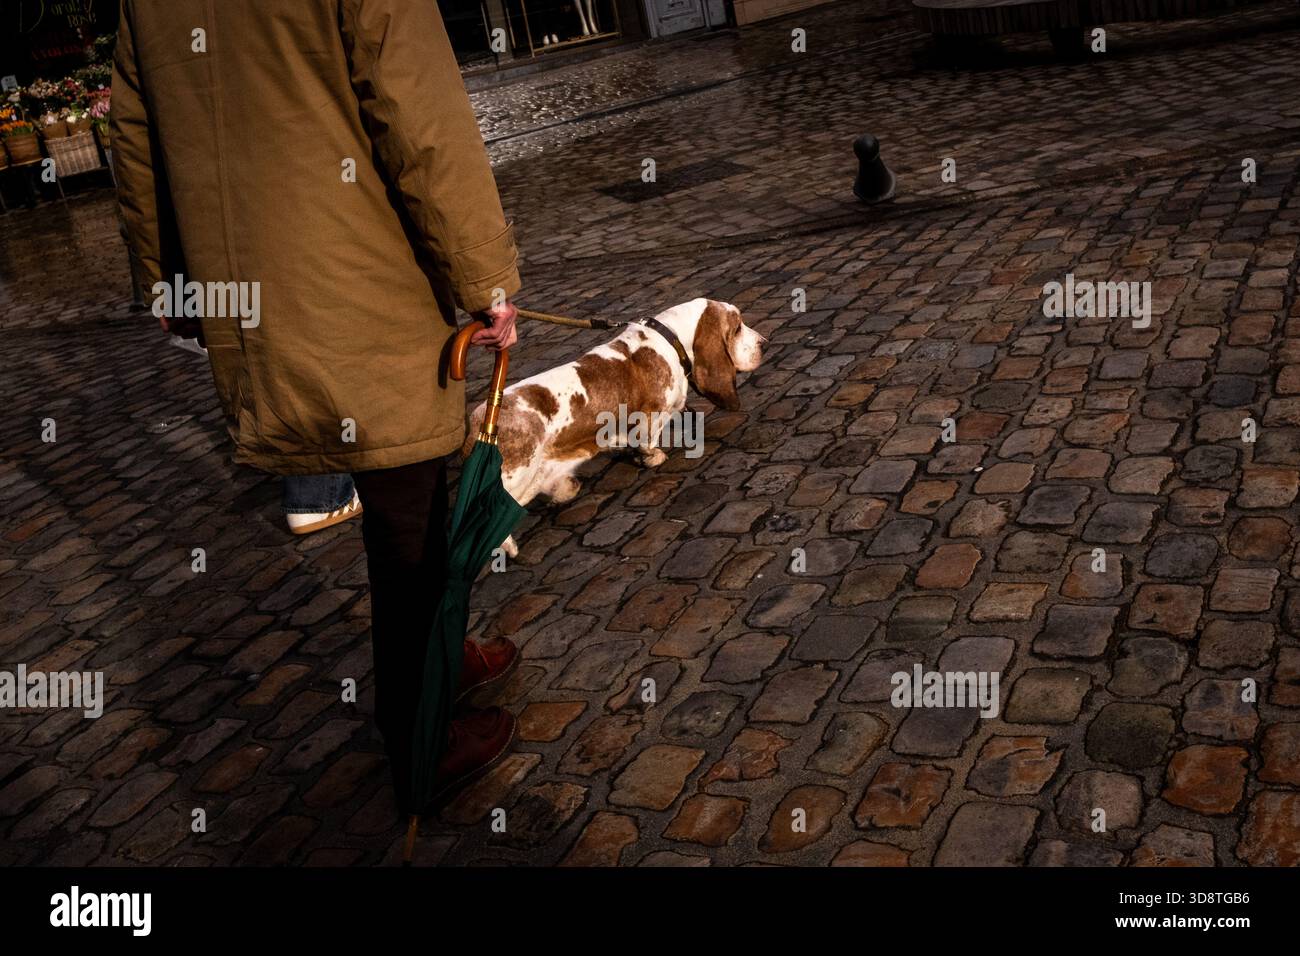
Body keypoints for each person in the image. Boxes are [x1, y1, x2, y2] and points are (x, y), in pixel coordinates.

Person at [111, 0, 523, 811]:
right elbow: (420, 113)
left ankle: (445, 659)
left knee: (400, 507)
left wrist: (166, 279)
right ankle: (421, 735)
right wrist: (485, 279)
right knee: (415, 521)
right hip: (363, 277)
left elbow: (135, 132)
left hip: (259, 292)